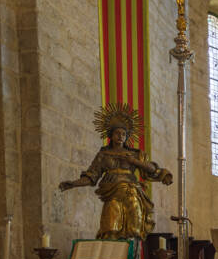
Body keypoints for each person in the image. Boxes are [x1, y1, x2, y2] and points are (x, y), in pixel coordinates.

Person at [59, 103, 173, 240]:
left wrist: (134, 162)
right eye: (118, 133)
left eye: (124, 134)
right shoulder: (103, 155)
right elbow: (91, 177)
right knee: (109, 229)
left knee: (133, 231)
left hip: (132, 193)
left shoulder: (134, 154)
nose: (121, 136)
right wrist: (73, 184)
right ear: (111, 135)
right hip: (112, 194)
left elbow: (152, 169)